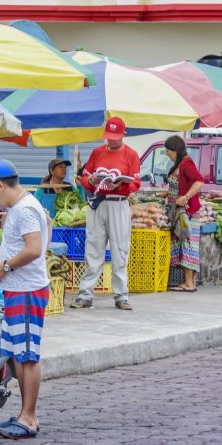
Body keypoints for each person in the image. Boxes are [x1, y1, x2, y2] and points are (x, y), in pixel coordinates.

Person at [0, 160, 51, 440]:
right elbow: (48, 226)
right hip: (20, 288)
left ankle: (29, 419)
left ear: (0, 185)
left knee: (28, 356)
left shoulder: (24, 210)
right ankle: (25, 414)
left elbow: (32, 249)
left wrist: (5, 266)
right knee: (19, 353)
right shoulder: (27, 206)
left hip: (27, 289)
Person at [70, 117, 140, 311]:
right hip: (98, 202)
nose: (112, 140)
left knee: (120, 249)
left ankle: (121, 295)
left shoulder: (131, 154)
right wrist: (90, 181)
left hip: (118, 203)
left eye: (115, 137)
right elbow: (84, 176)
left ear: (123, 135)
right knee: (93, 247)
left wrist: (120, 184)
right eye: (109, 136)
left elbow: (135, 183)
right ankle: (85, 294)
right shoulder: (97, 152)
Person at [164, 135, 204, 293]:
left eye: (168, 151)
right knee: (185, 243)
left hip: (187, 211)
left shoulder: (186, 163)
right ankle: (189, 282)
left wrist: (185, 197)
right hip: (180, 211)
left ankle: (189, 283)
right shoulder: (179, 163)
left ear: (174, 150)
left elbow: (199, 181)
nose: (167, 153)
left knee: (188, 244)